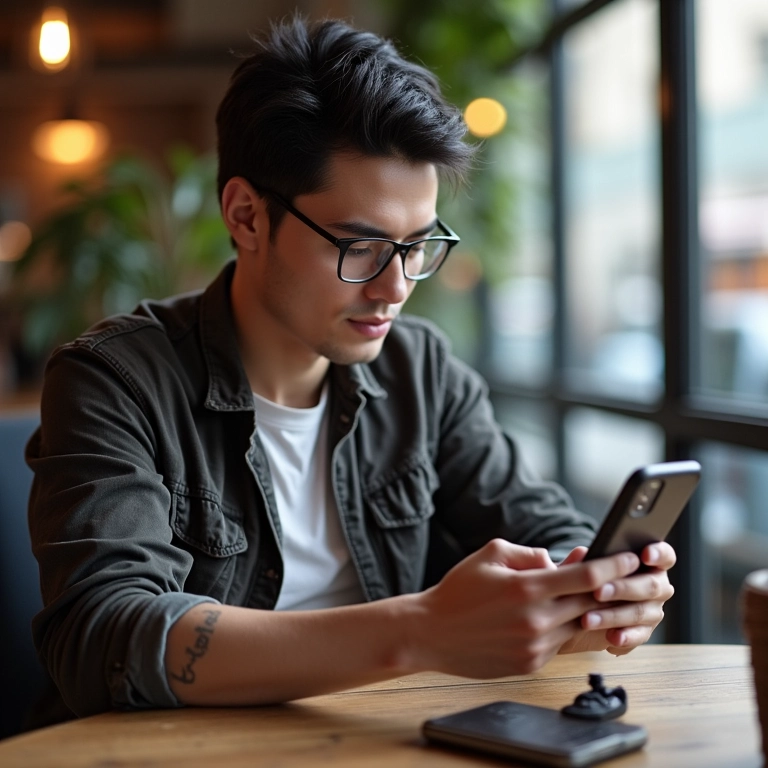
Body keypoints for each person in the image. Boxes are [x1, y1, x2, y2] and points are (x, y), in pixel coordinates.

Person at [27, 17, 675, 721]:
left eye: (418, 246)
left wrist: (597, 590)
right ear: (246, 217)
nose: (396, 287)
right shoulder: (115, 380)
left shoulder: (420, 370)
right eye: (361, 247)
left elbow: (543, 528)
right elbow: (103, 637)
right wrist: (420, 631)